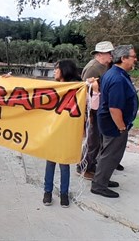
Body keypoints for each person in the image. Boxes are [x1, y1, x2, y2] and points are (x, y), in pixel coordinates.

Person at [91, 45, 139, 198]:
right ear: (123, 58)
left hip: (110, 122)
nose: (135, 60)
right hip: (114, 123)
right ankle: (99, 185)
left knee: (107, 152)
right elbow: (114, 108)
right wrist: (121, 127)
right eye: (133, 57)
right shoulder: (117, 78)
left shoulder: (115, 73)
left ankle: (102, 179)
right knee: (111, 155)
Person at [43, 59, 82, 208]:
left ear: (64, 70)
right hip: (52, 131)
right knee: (50, 163)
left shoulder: (78, 88)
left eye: (56, 68)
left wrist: (93, 86)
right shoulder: (52, 87)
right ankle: (47, 192)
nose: (54, 71)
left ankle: (64, 194)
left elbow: (93, 97)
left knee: (64, 164)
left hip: (67, 132)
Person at [77, 41, 114, 180]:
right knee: (93, 140)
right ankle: (84, 166)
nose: (111, 56)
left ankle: (90, 165)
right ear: (100, 54)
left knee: (97, 139)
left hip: (99, 107)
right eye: (108, 53)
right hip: (92, 109)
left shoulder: (104, 66)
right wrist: (89, 113)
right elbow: (84, 91)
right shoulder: (93, 68)